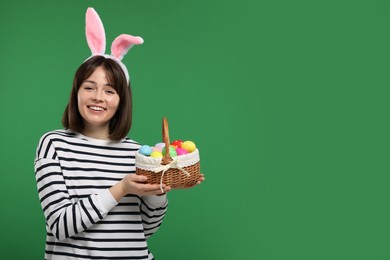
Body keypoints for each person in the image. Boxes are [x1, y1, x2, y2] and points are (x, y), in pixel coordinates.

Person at [34, 8, 204, 260]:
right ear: (76, 92)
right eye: (89, 87)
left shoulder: (135, 152)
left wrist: (158, 192)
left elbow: (143, 229)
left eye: (110, 91)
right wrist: (121, 188)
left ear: (121, 100)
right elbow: (61, 226)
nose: (98, 97)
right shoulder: (53, 144)